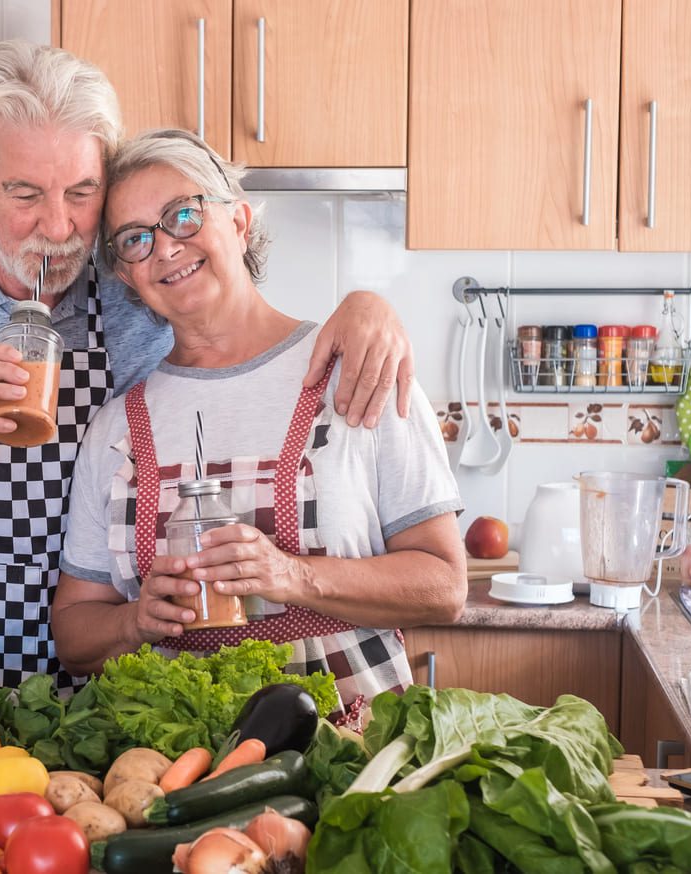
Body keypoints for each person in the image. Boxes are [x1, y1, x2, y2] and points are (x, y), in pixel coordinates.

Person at [0, 41, 416, 698]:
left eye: (82, 192)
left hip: (94, 705)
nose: (60, 228)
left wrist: (367, 307)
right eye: (25, 193)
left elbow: (236, 303)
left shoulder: (131, 285)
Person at [52, 129, 467, 723]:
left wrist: (292, 575)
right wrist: (133, 620)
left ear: (240, 221)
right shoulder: (117, 427)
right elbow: (74, 633)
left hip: (355, 761)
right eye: (136, 239)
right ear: (126, 276)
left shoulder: (361, 370)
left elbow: (446, 587)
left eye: (183, 215)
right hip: (184, 770)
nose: (165, 248)